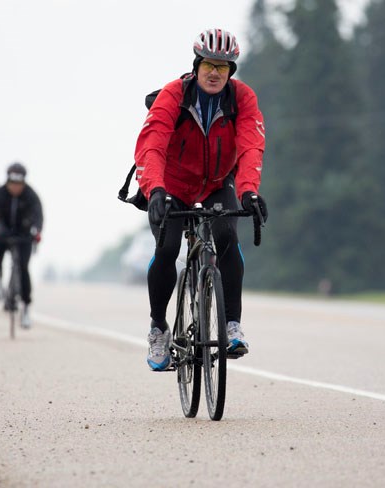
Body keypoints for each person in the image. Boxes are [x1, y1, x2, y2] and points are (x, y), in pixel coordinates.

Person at [133, 28, 268, 371]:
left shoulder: (242, 99)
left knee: (226, 237)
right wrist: (156, 190)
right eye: (209, 64)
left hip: (217, 184)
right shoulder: (173, 95)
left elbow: (252, 145)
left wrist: (249, 190)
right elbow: (152, 144)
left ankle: (233, 325)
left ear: (230, 72)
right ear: (196, 65)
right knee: (166, 249)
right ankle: (158, 328)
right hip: (172, 185)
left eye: (222, 68)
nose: (214, 73)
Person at [0, 162, 43, 329]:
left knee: (23, 268)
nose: (15, 188)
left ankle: (25, 307)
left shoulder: (31, 195)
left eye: (19, 184)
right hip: (3, 233)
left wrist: (36, 230)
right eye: (13, 184)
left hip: (23, 235)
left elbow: (38, 216)